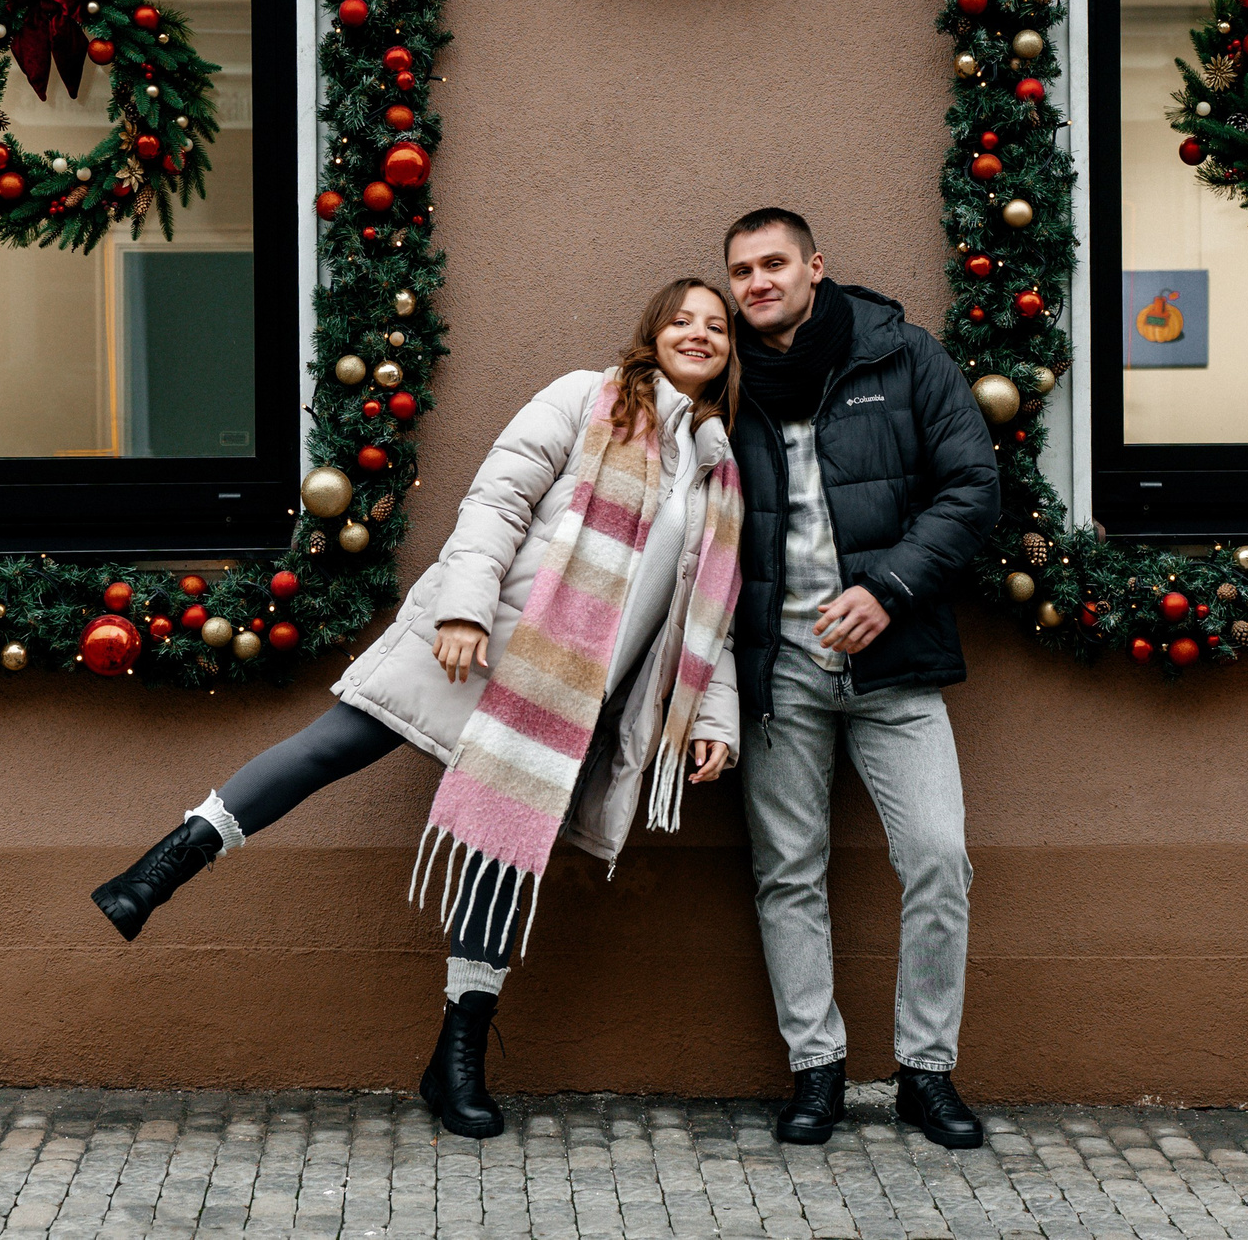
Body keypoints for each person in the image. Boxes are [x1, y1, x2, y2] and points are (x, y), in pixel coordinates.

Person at [88, 278, 747, 1140]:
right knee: (335, 743)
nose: (699, 333)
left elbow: (710, 611)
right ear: (651, 330)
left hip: (569, 699)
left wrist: (713, 718)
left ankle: (457, 1057)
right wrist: (464, 608)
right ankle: (161, 867)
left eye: (717, 326)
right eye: (682, 318)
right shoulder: (584, 399)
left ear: (731, 351)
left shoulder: (717, 468)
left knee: (500, 857)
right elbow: (496, 502)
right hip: (478, 645)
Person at [721, 208, 1001, 1150]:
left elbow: (972, 489)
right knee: (787, 872)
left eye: (774, 263)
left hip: (894, 662)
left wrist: (888, 585)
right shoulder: (722, 381)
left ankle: (926, 1073)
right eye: (742, 270)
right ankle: (816, 1070)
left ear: (815, 267)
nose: (757, 281)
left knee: (937, 855)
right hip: (779, 667)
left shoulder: (901, 355)